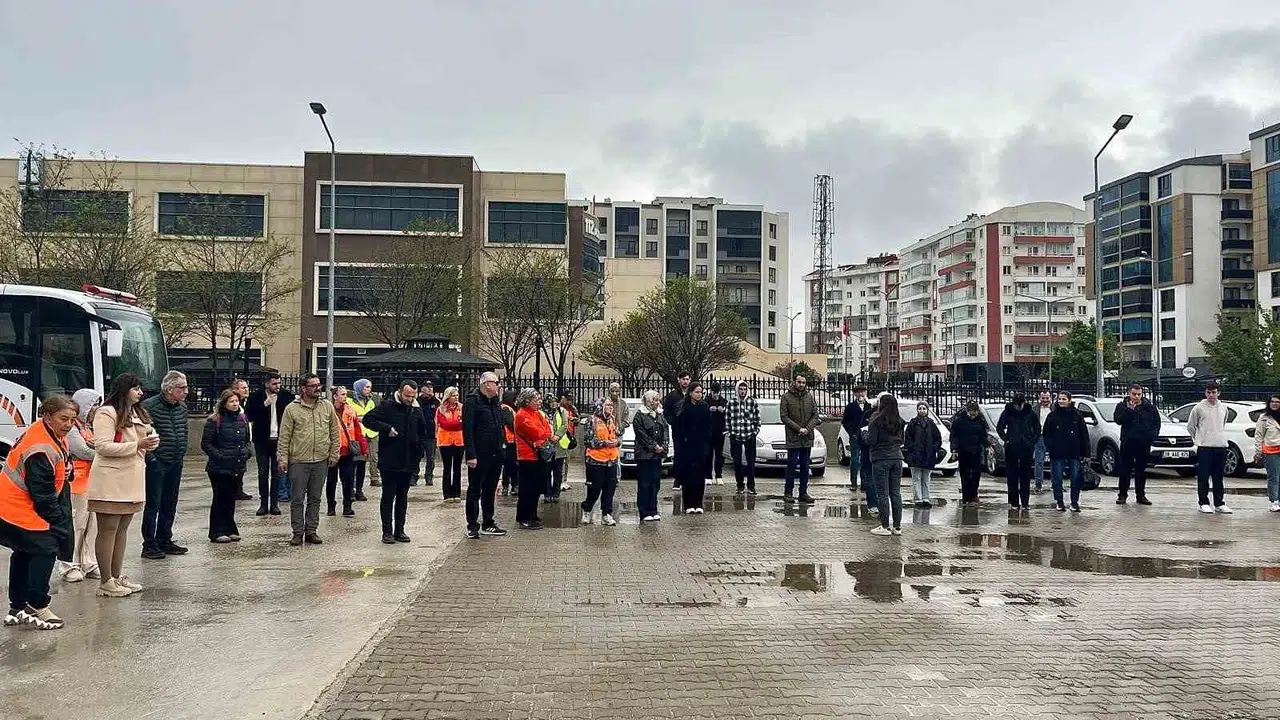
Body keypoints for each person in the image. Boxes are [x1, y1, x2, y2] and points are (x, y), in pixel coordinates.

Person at [0, 395, 77, 629]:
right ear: (48, 416)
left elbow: (60, 466)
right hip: (17, 507)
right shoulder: (40, 447)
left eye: (73, 420)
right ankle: (37, 605)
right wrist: (58, 523)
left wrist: (67, 472)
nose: (69, 424)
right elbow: (42, 494)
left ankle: (17, 606)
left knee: (24, 551)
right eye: (64, 419)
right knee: (45, 549)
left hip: (13, 504)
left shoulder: (48, 433)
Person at [88, 373, 157, 598]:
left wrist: (149, 444)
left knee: (122, 530)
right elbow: (103, 447)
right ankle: (105, 580)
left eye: (140, 388)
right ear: (124, 389)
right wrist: (138, 444)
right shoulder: (107, 412)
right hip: (111, 480)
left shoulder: (138, 412)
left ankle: (116, 577)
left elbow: (141, 441)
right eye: (135, 388)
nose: (140, 392)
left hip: (133, 478)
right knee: (108, 530)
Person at [362, 379, 430, 544]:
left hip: (408, 460)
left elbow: (423, 432)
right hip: (390, 459)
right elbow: (368, 420)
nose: (409, 399)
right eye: (407, 395)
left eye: (413, 396)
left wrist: (419, 453)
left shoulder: (416, 408)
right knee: (388, 496)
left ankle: (400, 530)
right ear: (400, 392)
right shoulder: (388, 406)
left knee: (403, 496)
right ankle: (387, 531)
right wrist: (386, 428)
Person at [278, 375, 341, 546]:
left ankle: (311, 530)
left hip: (321, 459)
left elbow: (335, 432)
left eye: (318, 385)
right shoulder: (292, 409)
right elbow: (284, 436)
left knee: (315, 498)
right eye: (313, 385)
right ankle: (297, 532)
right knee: (297, 498)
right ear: (303, 388)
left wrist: (334, 454)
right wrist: (282, 458)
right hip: (299, 459)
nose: (317, 388)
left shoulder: (327, 406)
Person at [139, 370, 189, 560]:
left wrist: (181, 453)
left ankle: (164, 538)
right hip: (157, 462)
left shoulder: (181, 407)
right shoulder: (149, 406)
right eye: (182, 387)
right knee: (154, 503)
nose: (186, 391)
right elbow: (143, 433)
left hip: (176, 460)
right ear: (169, 389)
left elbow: (183, 430)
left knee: (170, 502)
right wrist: (151, 458)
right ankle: (149, 543)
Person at [58, 388, 102, 582]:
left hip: (91, 481)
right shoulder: (72, 428)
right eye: (94, 405)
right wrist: (104, 452)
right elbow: (82, 451)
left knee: (91, 525)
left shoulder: (88, 426)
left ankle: (88, 561)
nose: (97, 410)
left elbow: (93, 447)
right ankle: (69, 565)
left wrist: (99, 449)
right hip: (76, 483)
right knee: (76, 525)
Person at [201, 389, 252, 543]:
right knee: (220, 499)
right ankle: (217, 531)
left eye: (237, 401)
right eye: (232, 401)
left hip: (236, 465)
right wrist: (221, 457)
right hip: (219, 467)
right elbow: (206, 444)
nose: (235, 404)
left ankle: (230, 528)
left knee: (231, 499)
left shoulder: (242, 419)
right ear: (224, 403)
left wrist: (246, 452)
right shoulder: (214, 420)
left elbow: (246, 440)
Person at [462, 372, 507, 540]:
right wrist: (471, 454)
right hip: (480, 454)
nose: (499, 386)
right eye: (497, 382)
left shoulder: (495, 402)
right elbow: (468, 430)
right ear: (487, 384)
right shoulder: (472, 401)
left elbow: (499, 426)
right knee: (475, 489)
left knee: (490, 488)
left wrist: (502, 448)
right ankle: (472, 525)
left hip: (496, 452)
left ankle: (488, 521)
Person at [247, 373, 294, 515]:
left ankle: (274, 503)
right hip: (262, 440)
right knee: (263, 472)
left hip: (279, 440)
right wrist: (265, 404)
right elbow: (249, 415)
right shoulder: (256, 396)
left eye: (279, 383)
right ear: (267, 384)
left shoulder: (286, 396)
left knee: (277, 473)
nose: (277, 386)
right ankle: (263, 504)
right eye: (274, 384)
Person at [1186, 381, 1232, 514]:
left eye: (1214, 392)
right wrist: (1200, 439)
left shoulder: (1224, 407)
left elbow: (1222, 423)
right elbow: (1191, 426)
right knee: (1203, 476)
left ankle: (1219, 503)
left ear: (1219, 393)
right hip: (1205, 447)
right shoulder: (1198, 408)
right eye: (1208, 392)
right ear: (1205, 393)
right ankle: (1203, 502)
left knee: (1218, 476)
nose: (1211, 395)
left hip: (1220, 446)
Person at [1041, 391, 1090, 512]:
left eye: (1064, 399)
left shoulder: (1076, 415)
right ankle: (1059, 501)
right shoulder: (1052, 416)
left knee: (1075, 478)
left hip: (1074, 452)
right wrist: (1051, 445)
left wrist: (1086, 453)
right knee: (1057, 478)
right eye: (1059, 399)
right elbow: (1046, 433)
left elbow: (1084, 434)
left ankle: (1074, 502)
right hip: (1057, 453)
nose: (1061, 401)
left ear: (1069, 400)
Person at [1113, 383, 1161, 506]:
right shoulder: (1122, 406)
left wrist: (1152, 437)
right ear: (1129, 393)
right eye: (1134, 394)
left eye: (1139, 394)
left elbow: (1156, 423)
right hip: (1128, 442)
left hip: (1144, 443)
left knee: (1141, 470)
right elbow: (1118, 420)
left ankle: (1141, 495)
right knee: (1125, 470)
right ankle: (1122, 495)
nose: (1136, 397)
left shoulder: (1149, 407)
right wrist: (1130, 410)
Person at [866, 394, 906, 536]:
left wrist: (864, 435)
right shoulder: (899, 421)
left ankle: (884, 526)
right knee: (895, 493)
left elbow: (871, 440)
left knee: (882, 494)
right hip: (897, 458)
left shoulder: (876, 421)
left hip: (881, 459)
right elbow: (902, 440)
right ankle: (897, 527)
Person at [325, 387, 368, 518]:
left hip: (348, 450)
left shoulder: (350, 410)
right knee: (331, 480)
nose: (345, 397)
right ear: (335, 397)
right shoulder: (328, 410)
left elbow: (357, 429)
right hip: (332, 450)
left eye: (345, 394)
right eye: (342, 395)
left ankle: (347, 506)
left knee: (348, 480)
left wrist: (363, 446)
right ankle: (331, 506)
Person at [513, 389, 553, 529]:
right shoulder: (521, 415)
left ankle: (532, 514)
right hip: (526, 456)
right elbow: (537, 432)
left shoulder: (536, 414)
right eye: (536, 399)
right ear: (527, 401)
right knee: (527, 489)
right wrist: (543, 433)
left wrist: (544, 433)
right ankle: (524, 517)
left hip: (537, 455)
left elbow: (547, 430)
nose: (539, 402)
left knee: (535, 488)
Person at [780, 375, 820, 504]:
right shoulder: (786, 397)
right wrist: (799, 429)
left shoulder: (809, 396)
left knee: (805, 466)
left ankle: (803, 492)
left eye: (803, 382)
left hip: (807, 438)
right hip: (793, 437)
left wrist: (807, 429)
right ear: (794, 382)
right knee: (791, 466)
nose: (801, 384)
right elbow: (784, 417)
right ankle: (788, 493)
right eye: (799, 382)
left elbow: (815, 415)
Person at [580, 398, 621, 526]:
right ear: (600, 406)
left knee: (610, 488)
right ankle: (587, 509)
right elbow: (588, 441)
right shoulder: (591, 421)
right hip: (595, 460)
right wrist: (604, 443)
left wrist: (617, 442)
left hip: (611, 460)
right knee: (594, 489)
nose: (611, 407)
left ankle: (607, 514)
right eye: (608, 405)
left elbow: (617, 435)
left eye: (611, 405)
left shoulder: (612, 419)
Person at [997, 393, 1040, 511]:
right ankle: (1013, 502)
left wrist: (1032, 441)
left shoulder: (1030, 413)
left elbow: (1037, 428)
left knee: (1025, 476)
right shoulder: (1008, 412)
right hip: (1011, 448)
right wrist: (1007, 439)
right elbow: (1000, 427)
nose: (1017, 407)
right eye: (1016, 405)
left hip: (1026, 448)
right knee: (1012, 476)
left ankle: (1025, 502)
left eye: (1019, 405)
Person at [675, 383, 712, 514]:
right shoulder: (684, 407)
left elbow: (708, 426)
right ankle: (688, 504)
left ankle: (698, 503)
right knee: (688, 476)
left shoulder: (704, 407)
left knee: (699, 476)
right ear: (690, 393)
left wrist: (706, 444)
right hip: (687, 446)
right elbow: (679, 428)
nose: (699, 394)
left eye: (700, 392)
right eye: (696, 392)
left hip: (700, 446)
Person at [633, 391, 669, 522]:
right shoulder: (640, 415)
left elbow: (665, 430)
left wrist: (663, 446)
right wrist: (654, 446)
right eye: (654, 400)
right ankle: (644, 511)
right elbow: (641, 435)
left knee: (655, 483)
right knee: (644, 483)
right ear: (648, 401)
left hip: (656, 456)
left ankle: (653, 509)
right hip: (644, 455)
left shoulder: (660, 414)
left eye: (658, 400)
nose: (657, 402)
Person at [949, 401, 989, 504]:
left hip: (976, 451)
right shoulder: (959, 421)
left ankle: (974, 494)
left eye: (975, 412)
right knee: (965, 475)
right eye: (971, 412)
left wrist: (988, 445)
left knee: (976, 474)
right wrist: (954, 449)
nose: (973, 415)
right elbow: (954, 437)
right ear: (967, 411)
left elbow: (983, 436)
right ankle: (966, 496)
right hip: (964, 451)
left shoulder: (980, 421)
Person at [903, 401, 942, 508]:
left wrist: (934, 448)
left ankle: (926, 498)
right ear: (917, 410)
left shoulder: (931, 423)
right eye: (920, 408)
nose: (922, 410)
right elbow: (908, 438)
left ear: (927, 410)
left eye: (924, 408)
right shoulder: (913, 423)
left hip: (928, 455)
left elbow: (937, 438)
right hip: (915, 455)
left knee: (926, 478)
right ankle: (918, 499)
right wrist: (912, 448)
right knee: (916, 478)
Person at [725, 380, 760, 495]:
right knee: (737, 462)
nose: (743, 392)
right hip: (736, 436)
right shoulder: (731, 403)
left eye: (745, 389)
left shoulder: (752, 402)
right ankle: (740, 485)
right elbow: (727, 419)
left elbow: (757, 419)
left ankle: (751, 486)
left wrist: (755, 432)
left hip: (749, 435)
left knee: (751, 462)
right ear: (737, 390)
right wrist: (730, 432)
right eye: (740, 389)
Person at [349, 379, 381, 489]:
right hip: (359, 433)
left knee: (374, 456)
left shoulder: (371, 401)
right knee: (359, 459)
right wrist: (360, 419)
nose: (369, 390)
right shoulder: (350, 401)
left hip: (371, 431)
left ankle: (374, 478)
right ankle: (354, 484)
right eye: (366, 387)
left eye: (370, 387)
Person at [841, 386, 872, 496]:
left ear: (866, 393)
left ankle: (864, 483)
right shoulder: (850, 407)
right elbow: (845, 422)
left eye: (862, 392)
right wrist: (852, 433)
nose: (860, 395)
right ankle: (853, 483)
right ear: (855, 394)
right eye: (858, 393)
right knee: (855, 460)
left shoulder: (870, 406)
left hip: (867, 438)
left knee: (866, 459)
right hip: (855, 437)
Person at [435, 387, 464, 503]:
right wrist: (458, 423)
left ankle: (457, 493)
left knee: (457, 468)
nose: (456, 397)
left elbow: (464, 422)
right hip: (445, 441)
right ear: (448, 396)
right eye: (453, 395)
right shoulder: (440, 409)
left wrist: (458, 424)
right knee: (447, 468)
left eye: (457, 395)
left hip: (459, 441)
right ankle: (447, 494)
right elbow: (444, 424)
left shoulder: (462, 408)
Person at [663, 374, 691, 489]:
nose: (685, 381)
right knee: (679, 454)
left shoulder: (693, 394)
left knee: (691, 455)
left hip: (691, 430)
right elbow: (667, 412)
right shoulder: (672, 395)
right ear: (679, 380)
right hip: (678, 430)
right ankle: (677, 480)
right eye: (683, 379)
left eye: (687, 379)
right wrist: (673, 422)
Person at [1252, 395, 1280, 512]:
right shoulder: (1264, 418)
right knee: (1273, 477)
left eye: (1277, 402)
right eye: (1272, 402)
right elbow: (1259, 435)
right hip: (1271, 451)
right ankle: (1273, 501)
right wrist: (1258, 451)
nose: (1274, 404)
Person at [548, 393, 577, 499]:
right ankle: (547, 493)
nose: (553, 404)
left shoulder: (562, 411)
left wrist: (557, 435)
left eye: (554, 402)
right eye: (551, 402)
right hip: (547, 444)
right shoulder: (544, 413)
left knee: (558, 471)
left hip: (560, 444)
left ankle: (556, 493)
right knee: (547, 471)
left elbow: (565, 425)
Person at [229, 378, 253, 501]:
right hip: (236, 441)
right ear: (235, 389)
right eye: (243, 388)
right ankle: (234, 490)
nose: (246, 390)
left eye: (247, 387)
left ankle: (239, 490)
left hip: (245, 439)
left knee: (241, 467)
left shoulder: (245, 403)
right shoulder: (233, 404)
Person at [415, 381, 440, 487]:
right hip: (418, 434)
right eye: (427, 389)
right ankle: (414, 476)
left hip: (431, 434)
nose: (429, 391)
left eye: (431, 389)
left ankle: (429, 477)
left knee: (430, 458)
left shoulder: (436, 402)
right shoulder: (416, 402)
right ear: (422, 390)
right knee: (416, 456)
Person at [706, 382, 728, 485]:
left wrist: (723, 411)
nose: (716, 395)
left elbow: (729, 416)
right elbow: (701, 414)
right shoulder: (706, 401)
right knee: (708, 454)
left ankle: (719, 475)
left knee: (719, 455)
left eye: (717, 392)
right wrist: (708, 410)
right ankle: (708, 476)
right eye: (714, 392)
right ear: (711, 391)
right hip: (708, 432)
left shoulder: (724, 401)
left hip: (720, 432)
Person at [500, 389, 520, 497]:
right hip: (509, 441)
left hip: (511, 440)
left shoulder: (510, 409)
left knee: (510, 465)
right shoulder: (506, 409)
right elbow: (511, 424)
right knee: (510, 464)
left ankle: (509, 485)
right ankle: (510, 485)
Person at [1033, 391, 1052, 492]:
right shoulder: (1034, 409)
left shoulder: (1054, 409)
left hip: (1053, 437)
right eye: (1043, 398)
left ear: (1050, 398)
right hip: (1040, 437)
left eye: (1047, 398)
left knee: (1055, 461)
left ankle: (1056, 483)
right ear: (1039, 398)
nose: (1045, 400)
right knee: (1039, 461)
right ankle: (1038, 484)